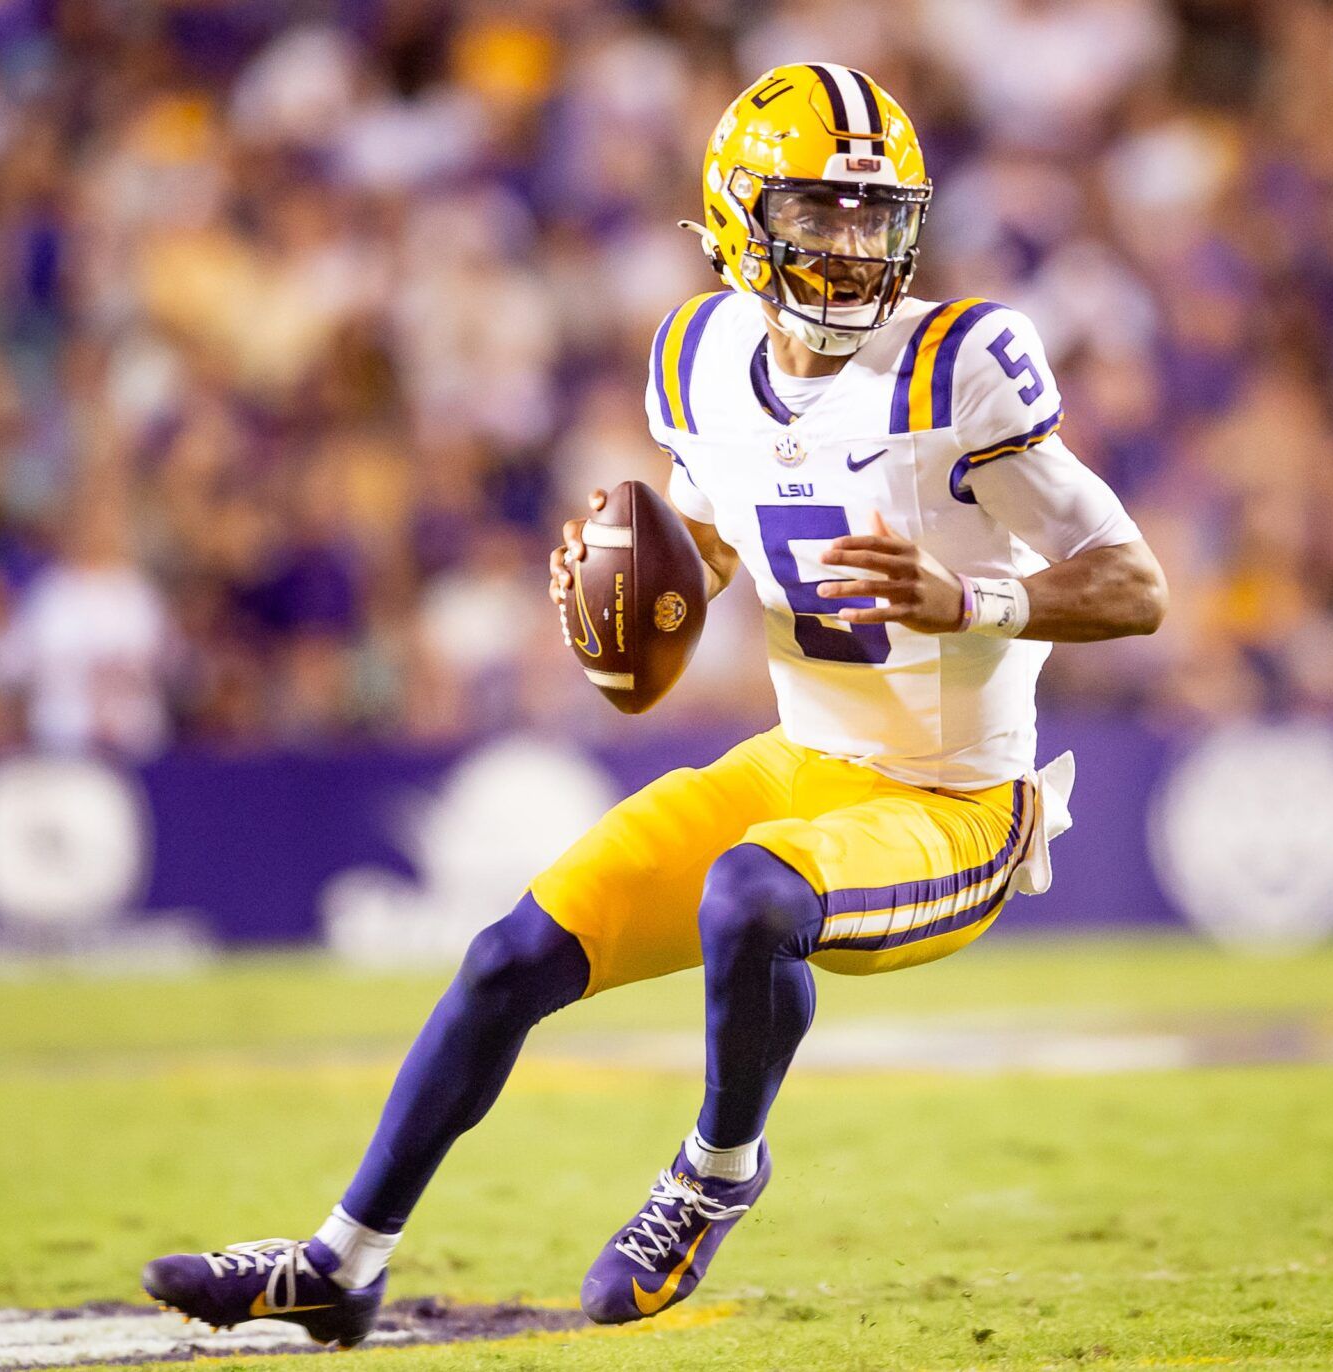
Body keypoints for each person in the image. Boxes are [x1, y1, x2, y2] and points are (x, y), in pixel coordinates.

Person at [139, 63, 1166, 1347]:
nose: (851, 249)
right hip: (808, 765)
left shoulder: (958, 364)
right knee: (513, 953)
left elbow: (1135, 584)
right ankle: (340, 1261)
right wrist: (627, 600)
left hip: (956, 805)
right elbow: (713, 557)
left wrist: (973, 604)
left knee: (751, 892)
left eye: (873, 217)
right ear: (741, 215)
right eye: (819, 215)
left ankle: (717, 1172)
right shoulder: (698, 356)